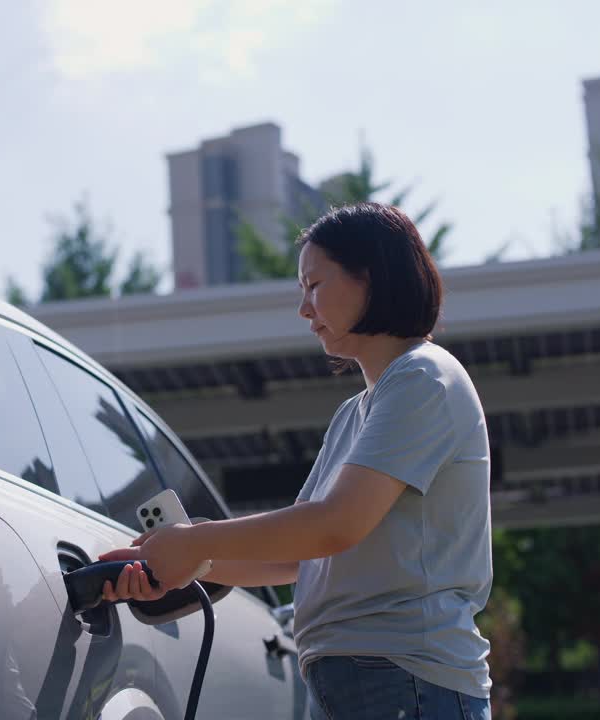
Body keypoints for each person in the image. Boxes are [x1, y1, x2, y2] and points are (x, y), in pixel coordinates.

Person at [99, 202, 493, 719]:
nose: (304, 309)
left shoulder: (423, 377)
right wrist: (183, 563)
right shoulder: (356, 411)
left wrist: (195, 542)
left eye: (313, 285)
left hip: (408, 678)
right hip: (368, 680)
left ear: (370, 277)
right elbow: (301, 556)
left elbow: (335, 526)